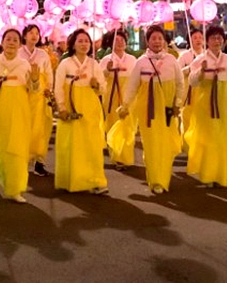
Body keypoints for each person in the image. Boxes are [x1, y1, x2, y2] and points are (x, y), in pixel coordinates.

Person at [119, 25, 183, 194]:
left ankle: (162, 174)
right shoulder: (141, 62)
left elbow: (180, 84)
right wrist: (125, 105)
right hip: (147, 109)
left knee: (166, 144)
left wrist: (178, 103)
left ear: (164, 41)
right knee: (151, 144)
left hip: (168, 109)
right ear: (147, 41)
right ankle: (156, 180)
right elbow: (132, 86)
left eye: (160, 38)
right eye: (153, 38)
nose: (157, 41)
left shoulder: (172, 60)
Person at [0, 28, 40, 203]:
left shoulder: (25, 65)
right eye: (8, 39)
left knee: (17, 150)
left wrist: (35, 80)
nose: (11, 42)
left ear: (19, 44)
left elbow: (33, 90)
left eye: (15, 40)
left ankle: (15, 188)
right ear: (2, 42)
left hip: (19, 113)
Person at [54, 28, 108, 194]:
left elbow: (103, 88)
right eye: (80, 41)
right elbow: (58, 88)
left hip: (90, 107)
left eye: (86, 41)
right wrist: (62, 107)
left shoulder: (94, 64)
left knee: (92, 145)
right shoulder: (65, 63)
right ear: (73, 44)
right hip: (72, 106)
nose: (84, 44)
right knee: (72, 145)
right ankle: (73, 179)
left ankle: (95, 180)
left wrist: (96, 86)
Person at [187, 25, 227, 188]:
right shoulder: (200, 60)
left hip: (225, 104)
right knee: (208, 139)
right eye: (213, 38)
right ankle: (208, 174)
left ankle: (223, 175)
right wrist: (201, 72)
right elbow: (192, 81)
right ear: (207, 41)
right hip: (205, 105)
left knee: (224, 139)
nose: (217, 41)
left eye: (219, 38)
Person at [19, 24, 54, 177]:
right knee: (24, 128)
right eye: (31, 33)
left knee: (41, 129)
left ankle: (39, 161)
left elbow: (48, 73)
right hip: (23, 95)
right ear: (24, 35)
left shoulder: (43, 55)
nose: (34, 35)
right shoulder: (18, 53)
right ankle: (22, 160)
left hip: (40, 96)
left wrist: (49, 89)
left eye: (37, 33)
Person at [100, 29, 137, 170]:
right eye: (117, 40)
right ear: (111, 44)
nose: (120, 43)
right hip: (111, 97)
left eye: (122, 40)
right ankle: (116, 157)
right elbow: (99, 79)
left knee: (129, 125)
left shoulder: (133, 60)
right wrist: (107, 70)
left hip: (128, 98)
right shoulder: (106, 60)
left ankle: (126, 156)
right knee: (113, 125)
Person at [177, 28, 204, 141]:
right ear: (190, 40)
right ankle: (187, 144)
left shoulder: (207, 55)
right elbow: (178, 73)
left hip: (203, 92)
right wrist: (188, 69)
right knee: (187, 117)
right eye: (195, 38)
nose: (198, 40)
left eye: (200, 37)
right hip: (188, 92)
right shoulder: (184, 56)